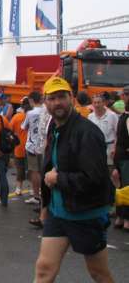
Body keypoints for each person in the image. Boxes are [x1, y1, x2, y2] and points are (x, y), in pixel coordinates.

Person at [35, 77, 115, 283]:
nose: (57, 103)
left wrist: (58, 178)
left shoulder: (87, 132)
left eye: (61, 97)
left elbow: (94, 179)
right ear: (45, 102)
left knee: (99, 273)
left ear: (71, 98)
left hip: (86, 214)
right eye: (52, 98)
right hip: (58, 213)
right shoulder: (54, 127)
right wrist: (45, 207)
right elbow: (49, 167)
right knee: (44, 270)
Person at [22, 91, 48, 207]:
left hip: (32, 145)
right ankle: (44, 193)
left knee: (34, 171)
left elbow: (23, 126)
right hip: (44, 144)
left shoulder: (30, 113)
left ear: (31, 100)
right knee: (44, 170)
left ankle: (36, 195)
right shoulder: (46, 111)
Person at [113, 85, 129, 231]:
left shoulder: (126, 116)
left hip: (125, 157)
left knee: (124, 187)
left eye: (124, 95)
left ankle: (124, 219)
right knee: (121, 187)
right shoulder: (124, 115)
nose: (122, 98)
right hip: (121, 156)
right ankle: (121, 217)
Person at [88, 94, 118, 168]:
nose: (96, 105)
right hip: (95, 149)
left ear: (104, 103)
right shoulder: (90, 116)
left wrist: (115, 148)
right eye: (94, 102)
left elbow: (118, 133)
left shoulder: (112, 115)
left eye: (99, 102)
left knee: (109, 170)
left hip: (110, 149)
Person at [10, 97, 31, 195]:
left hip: (19, 147)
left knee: (20, 169)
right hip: (31, 147)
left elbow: (10, 130)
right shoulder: (34, 116)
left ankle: (19, 188)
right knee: (32, 169)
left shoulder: (16, 117)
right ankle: (33, 189)